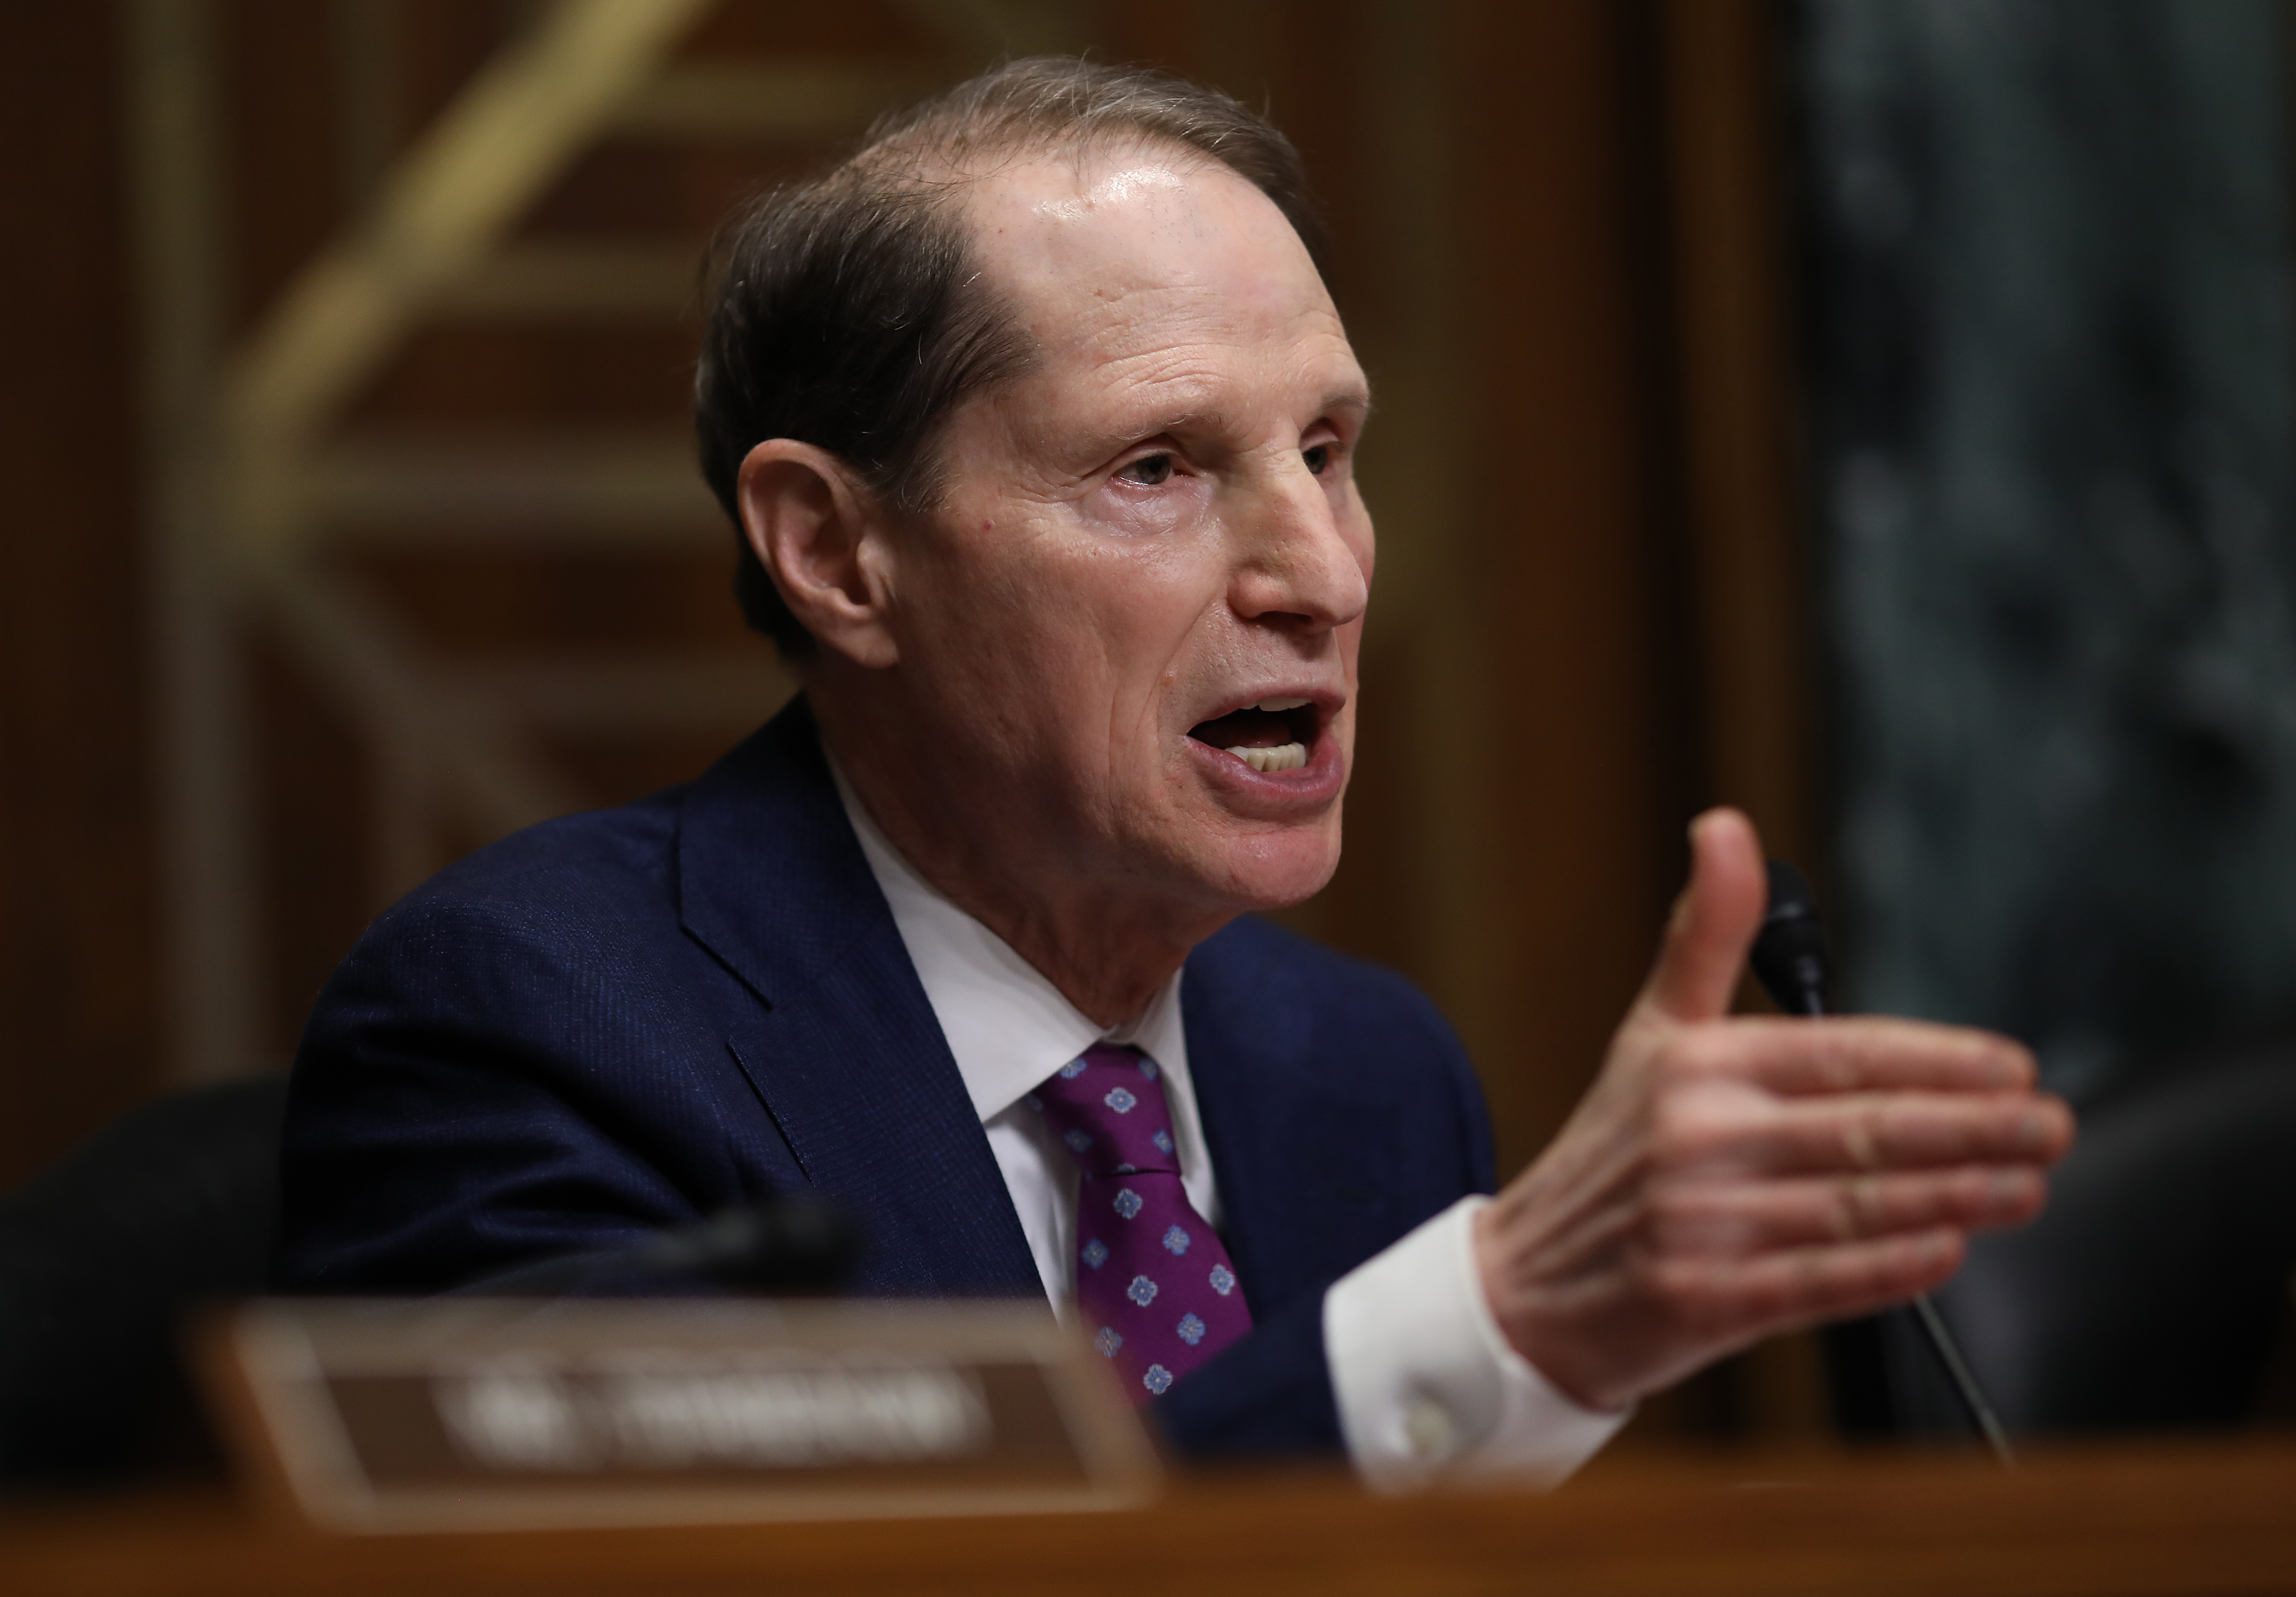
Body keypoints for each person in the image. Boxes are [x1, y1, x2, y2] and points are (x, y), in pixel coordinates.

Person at [278, 58, 2072, 1485]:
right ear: (836, 552)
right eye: (1157, 464)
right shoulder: (540, 1029)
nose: (1327, 571)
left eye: (1327, 447)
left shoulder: (1362, 1076)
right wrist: (1490, 1318)